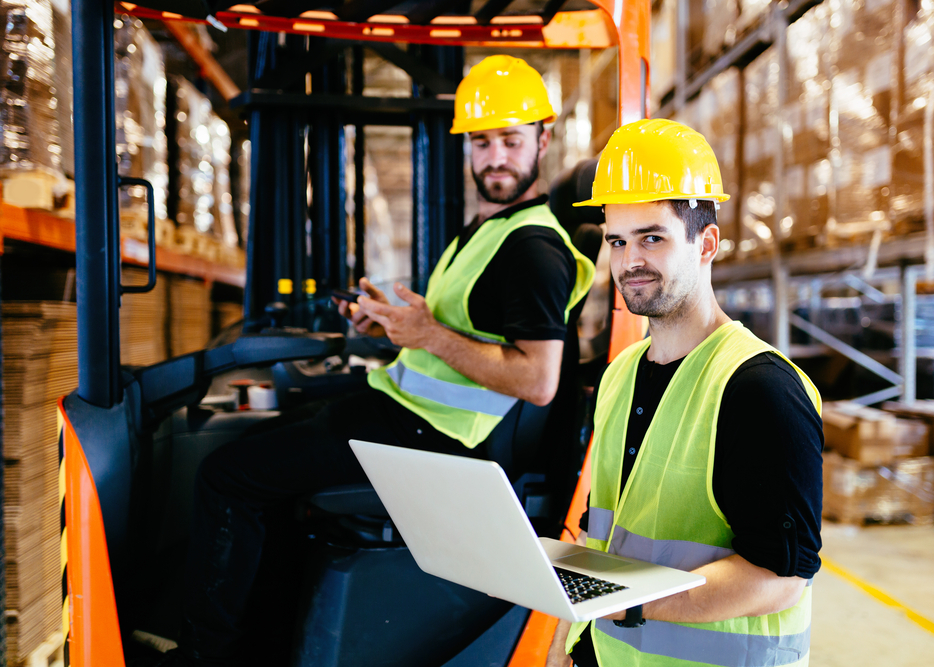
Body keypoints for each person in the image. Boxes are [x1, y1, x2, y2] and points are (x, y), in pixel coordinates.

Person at [159, 55, 595, 667]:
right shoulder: (489, 231)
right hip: (409, 412)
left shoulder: (534, 249)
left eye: (511, 141)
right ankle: (261, 644)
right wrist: (393, 325)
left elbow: (538, 380)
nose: (495, 157)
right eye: (482, 142)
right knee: (266, 463)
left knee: (226, 476)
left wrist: (424, 332)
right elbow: (453, 339)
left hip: (439, 439)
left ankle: (205, 657)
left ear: (542, 140)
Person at [545, 119, 823, 667]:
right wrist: (564, 642)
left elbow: (780, 578)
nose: (630, 263)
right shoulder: (620, 375)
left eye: (653, 237)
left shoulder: (760, 390)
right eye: (617, 242)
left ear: (707, 244)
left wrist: (634, 603)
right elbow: (603, 541)